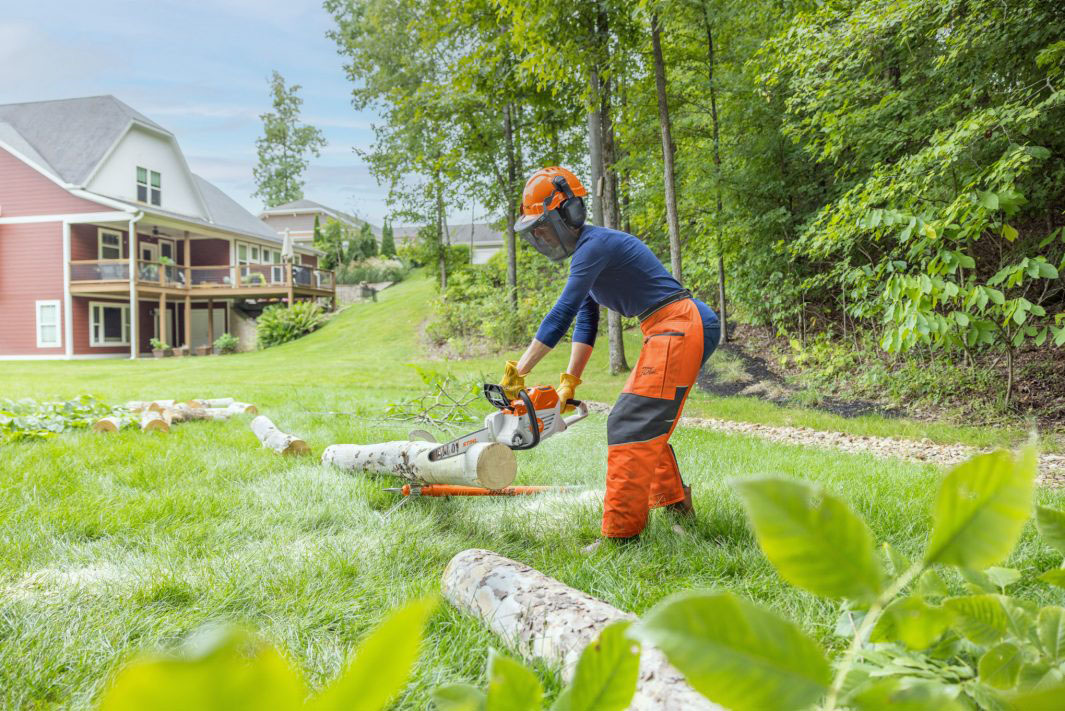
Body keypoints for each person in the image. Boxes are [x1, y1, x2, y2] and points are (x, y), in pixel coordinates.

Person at [500, 166, 720, 552]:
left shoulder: (594, 246)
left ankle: (621, 538)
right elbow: (586, 318)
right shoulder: (589, 255)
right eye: (535, 230)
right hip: (670, 325)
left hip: (680, 323)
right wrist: (570, 382)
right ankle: (678, 513)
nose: (541, 235)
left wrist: (521, 368)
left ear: (569, 214)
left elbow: (562, 311)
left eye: (544, 226)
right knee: (644, 418)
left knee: (629, 420)